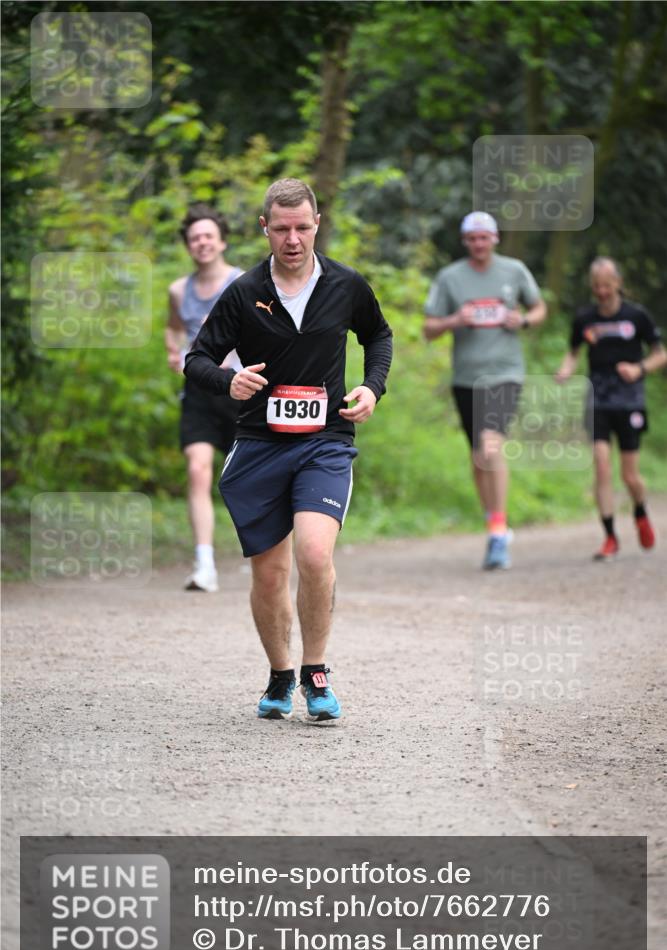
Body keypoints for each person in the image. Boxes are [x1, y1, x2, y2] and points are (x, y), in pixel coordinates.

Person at [184, 178, 393, 722]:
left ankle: (315, 672)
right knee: (270, 572)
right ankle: (280, 675)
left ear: (317, 224)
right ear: (264, 228)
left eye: (302, 227)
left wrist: (372, 386)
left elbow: (379, 337)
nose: (293, 239)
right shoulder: (243, 291)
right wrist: (227, 381)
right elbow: (197, 359)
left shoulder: (346, 285)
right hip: (258, 444)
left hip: (325, 442)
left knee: (315, 554)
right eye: (281, 228)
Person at [423, 211, 547, 570]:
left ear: (495, 238)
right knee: (479, 457)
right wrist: (453, 321)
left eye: (485, 237)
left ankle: (497, 532)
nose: (479, 243)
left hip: (506, 373)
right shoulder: (450, 278)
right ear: (465, 241)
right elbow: (429, 328)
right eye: (472, 238)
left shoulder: (514, 271)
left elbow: (540, 308)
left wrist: (522, 319)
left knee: (492, 446)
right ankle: (494, 521)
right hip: (466, 378)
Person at [555, 256, 665, 560]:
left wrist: (639, 369)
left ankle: (640, 512)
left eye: (607, 285)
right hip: (597, 399)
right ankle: (609, 537)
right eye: (596, 286)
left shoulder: (636, 316)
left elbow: (660, 354)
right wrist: (564, 370)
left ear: (618, 283)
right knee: (602, 466)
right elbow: (573, 352)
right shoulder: (585, 319)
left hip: (629, 400)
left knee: (630, 476)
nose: (602, 291)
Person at [165, 204, 243, 592]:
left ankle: (262, 552)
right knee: (198, 470)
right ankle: (204, 564)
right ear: (188, 245)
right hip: (197, 390)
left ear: (222, 241)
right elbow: (174, 330)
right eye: (195, 237)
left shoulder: (244, 283)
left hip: (239, 388)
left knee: (246, 478)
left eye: (208, 235)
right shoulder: (178, 290)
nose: (202, 242)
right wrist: (174, 353)